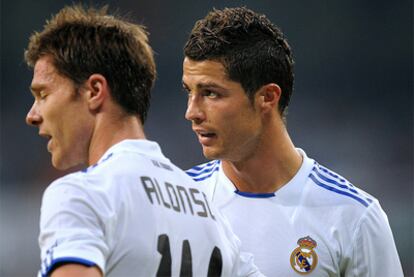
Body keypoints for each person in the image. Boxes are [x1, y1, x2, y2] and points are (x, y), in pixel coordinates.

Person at [25, 5, 262, 277]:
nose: (32, 115)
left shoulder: (82, 195)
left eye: (43, 94)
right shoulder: (213, 215)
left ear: (94, 91)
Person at [183, 7, 404, 277]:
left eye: (210, 93)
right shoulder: (177, 201)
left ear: (267, 97)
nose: (192, 112)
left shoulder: (354, 217)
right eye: (189, 91)